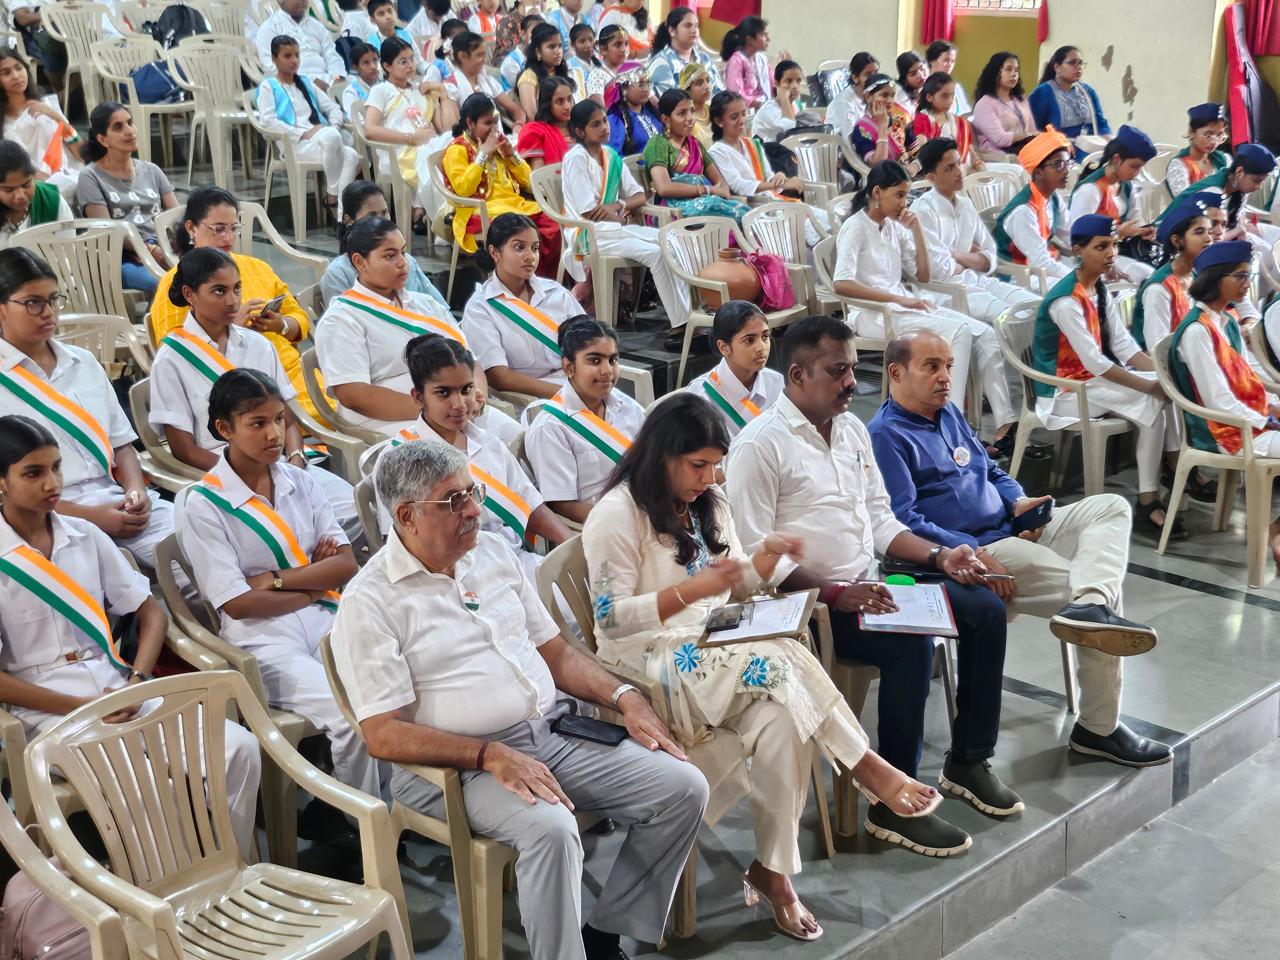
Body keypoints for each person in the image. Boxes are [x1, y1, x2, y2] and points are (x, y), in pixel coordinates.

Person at [583, 393, 943, 942]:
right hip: (650, 663)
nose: (709, 477)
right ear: (662, 456)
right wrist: (689, 593)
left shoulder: (708, 502)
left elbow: (736, 584)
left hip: (715, 646)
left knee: (783, 718)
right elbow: (609, 619)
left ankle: (773, 872)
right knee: (776, 654)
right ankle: (865, 763)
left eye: (714, 465)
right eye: (698, 465)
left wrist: (765, 560)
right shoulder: (616, 514)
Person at [332, 438, 707, 960]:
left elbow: (556, 653)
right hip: (453, 768)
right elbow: (383, 734)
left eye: (473, 492)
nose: (473, 510)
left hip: (547, 733)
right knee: (551, 830)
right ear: (407, 516)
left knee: (683, 786)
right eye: (454, 501)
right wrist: (488, 754)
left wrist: (624, 696)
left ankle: (605, 935)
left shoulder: (491, 553)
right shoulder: (371, 601)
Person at [727, 316, 1019, 857]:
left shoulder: (852, 430)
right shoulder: (760, 446)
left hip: (870, 587)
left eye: (852, 369)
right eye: (837, 371)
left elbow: (882, 521)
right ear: (798, 374)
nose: (850, 383)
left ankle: (968, 760)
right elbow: (754, 558)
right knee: (910, 642)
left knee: (983, 608)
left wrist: (941, 555)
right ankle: (892, 802)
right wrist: (836, 593)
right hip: (807, 608)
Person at [867, 331, 1172, 767]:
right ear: (896, 373)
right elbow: (903, 521)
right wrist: (970, 549)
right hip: (979, 550)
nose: (945, 377)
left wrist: (1018, 501)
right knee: (1095, 597)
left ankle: (1090, 603)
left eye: (949, 365)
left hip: (1013, 527)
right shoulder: (885, 436)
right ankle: (1098, 727)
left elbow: (989, 469)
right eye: (931, 366)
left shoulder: (948, 412)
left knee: (1109, 507)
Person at [0, 414, 262, 858]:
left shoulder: (85, 535)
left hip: (118, 686)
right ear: (1, 483)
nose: (52, 483)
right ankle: (168, 890)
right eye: (33, 473)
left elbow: (150, 612)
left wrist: (137, 680)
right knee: (144, 787)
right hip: (46, 708)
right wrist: (80, 707)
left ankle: (229, 867)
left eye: (56, 467)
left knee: (237, 749)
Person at [182, 369, 382, 826]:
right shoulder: (204, 503)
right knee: (348, 711)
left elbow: (345, 565)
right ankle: (361, 825)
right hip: (262, 637)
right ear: (224, 429)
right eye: (257, 423)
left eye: (278, 419)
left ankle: (381, 805)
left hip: (322, 611)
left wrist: (273, 579)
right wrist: (313, 583)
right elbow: (237, 604)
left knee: (385, 684)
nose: (274, 433)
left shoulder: (301, 481)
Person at [149, 249, 357, 526]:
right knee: (292, 528)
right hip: (224, 470)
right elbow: (183, 449)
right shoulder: (172, 359)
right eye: (219, 291)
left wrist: (295, 459)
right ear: (190, 295)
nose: (233, 300)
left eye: (237, 289)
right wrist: (245, 472)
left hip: (277, 463)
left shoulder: (259, 345)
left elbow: (287, 420)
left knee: (352, 508)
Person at [0, 249, 173, 569]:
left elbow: (122, 446)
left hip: (116, 501)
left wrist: (136, 492)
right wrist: (91, 517)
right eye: (33, 302)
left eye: (54, 299)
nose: (48, 312)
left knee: (208, 551)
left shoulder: (83, 362)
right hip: (43, 522)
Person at [832, 160, 1015, 442]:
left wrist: (915, 230)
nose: (904, 203)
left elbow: (923, 275)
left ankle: (1005, 426)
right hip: (872, 315)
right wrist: (897, 298)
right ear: (877, 192)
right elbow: (841, 283)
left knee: (985, 334)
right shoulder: (855, 227)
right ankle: (951, 424)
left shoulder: (893, 227)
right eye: (899, 195)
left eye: (906, 195)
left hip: (903, 305)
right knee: (960, 332)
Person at [1031, 215, 1183, 537]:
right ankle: (1152, 495)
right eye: (1101, 247)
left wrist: (1161, 373)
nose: (1111, 253)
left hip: (1091, 381)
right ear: (1078, 250)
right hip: (1065, 390)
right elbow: (1096, 363)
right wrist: (1150, 386)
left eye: (1113, 245)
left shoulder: (1098, 286)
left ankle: (1168, 472)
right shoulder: (1066, 301)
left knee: (1166, 390)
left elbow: (1124, 346)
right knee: (1154, 401)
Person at [364, 334, 572, 563]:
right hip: (452, 572)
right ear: (418, 397)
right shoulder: (398, 460)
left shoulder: (489, 443)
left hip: (514, 560)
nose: (459, 404)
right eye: (443, 393)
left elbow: (532, 506)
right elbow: (401, 545)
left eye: (466, 390)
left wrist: (576, 546)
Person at [150, 187, 317, 419]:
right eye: (218, 229)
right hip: (232, 387)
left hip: (290, 372)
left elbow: (300, 320)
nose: (228, 238)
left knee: (342, 407)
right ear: (191, 228)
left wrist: (281, 325)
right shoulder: (179, 282)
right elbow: (176, 350)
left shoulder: (258, 268)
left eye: (234, 228)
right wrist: (231, 330)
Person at [1168, 242, 1280, 567]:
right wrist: (1266, 417)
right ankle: (1276, 529)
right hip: (1225, 430)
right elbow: (1218, 400)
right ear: (1216, 279)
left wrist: (1272, 405)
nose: (1246, 284)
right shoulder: (1196, 332)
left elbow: (1249, 378)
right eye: (1240, 276)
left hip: (1248, 420)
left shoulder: (1226, 320)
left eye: (1248, 276)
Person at [317, 217, 466, 436]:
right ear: (360, 262)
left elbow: (468, 358)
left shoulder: (426, 304)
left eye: (403, 252)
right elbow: (354, 394)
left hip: (451, 406)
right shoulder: (341, 319)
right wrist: (434, 408)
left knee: (509, 432)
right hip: (384, 418)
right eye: (390, 256)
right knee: (450, 447)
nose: (402, 263)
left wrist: (474, 396)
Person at [910, 138, 1039, 390]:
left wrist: (957, 255)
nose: (959, 172)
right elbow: (939, 270)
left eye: (958, 164)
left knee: (1035, 307)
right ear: (932, 177)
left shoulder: (966, 204)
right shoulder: (923, 211)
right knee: (1008, 316)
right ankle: (1023, 393)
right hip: (944, 292)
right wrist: (969, 260)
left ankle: (1038, 383)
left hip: (978, 281)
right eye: (949, 168)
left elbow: (990, 257)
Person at [561, 99, 692, 330]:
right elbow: (589, 211)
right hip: (587, 234)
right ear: (580, 131)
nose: (605, 127)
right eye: (596, 124)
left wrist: (618, 205)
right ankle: (680, 324)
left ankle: (689, 314)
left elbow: (639, 196)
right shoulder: (576, 158)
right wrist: (617, 217)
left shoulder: (611, 155)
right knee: (655, 254)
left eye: (604, 121)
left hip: (613, 229)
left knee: (672, 241)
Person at [524, 316, 644, 523]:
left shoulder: (628, 406)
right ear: (568, 367)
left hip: (644, 505)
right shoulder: (550, 428)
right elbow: (561, 504)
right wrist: (626, 522)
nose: (607, 371)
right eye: (595, 361)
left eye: (613, 360)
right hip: (603, 523)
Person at [463, 213, 582, 398]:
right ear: (494, 252)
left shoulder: (556, 293)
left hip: (577, 384)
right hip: (530, 398)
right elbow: (499, 377)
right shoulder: (481, 308)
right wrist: (568, 395)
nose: (530, 257)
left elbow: (589, 342)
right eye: (519, 247)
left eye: (534, 248)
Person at [443, 93, 560, 276]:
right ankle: (523, 281)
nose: (493, 128)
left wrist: (511, 155)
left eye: (495, 122)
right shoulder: (457, 149)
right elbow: (463, 189)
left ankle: (543, 280)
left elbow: (529, 181)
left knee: (555, 224)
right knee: (526, 234)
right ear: (470, 123)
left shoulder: (498, 146)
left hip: (515, 206)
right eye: (487, 123)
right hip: (481, 212)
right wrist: (483, 155)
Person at [76, 102, 178, 296]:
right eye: (118, 127)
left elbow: (176, 218)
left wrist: (171, 249)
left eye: (130, 123)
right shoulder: (90, 176)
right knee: (165, 284)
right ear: (103, 139)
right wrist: (150, 250)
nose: (129, 131)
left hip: (163, 248)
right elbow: (108, 230)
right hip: (122, 257)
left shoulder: (152, 170)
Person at [258, 36, 361, 219]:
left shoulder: (306, 82)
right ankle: (332, 198)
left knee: (351, 155)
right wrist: (303, 133)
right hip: (294, 145)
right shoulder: (269, 86)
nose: (294, 60)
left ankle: (340, 215)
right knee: (332, 138)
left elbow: (333, 108)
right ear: (274, 59)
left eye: (297, 55)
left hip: (323, 141)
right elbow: (268, 121)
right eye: (287, 56)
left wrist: (333, 127)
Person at [320, 181, 450, 310]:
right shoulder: (338, 274)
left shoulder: (407, 261)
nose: (381, 221)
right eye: (372, 216)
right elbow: (344, 320)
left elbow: (441, 310)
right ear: (349, 220)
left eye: (384, 213)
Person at [364, 36, 444, 227]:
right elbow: (369, 130)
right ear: (387, 66)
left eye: (411, 59)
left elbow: (443, 128)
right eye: (403, 61)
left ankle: (435, 212)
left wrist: (441, 90)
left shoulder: (420, 90)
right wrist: (410, 138)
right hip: (396, 153)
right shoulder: (381, 90)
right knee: (429, 156)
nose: (410, 65)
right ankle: (440, 216)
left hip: (425, 145)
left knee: (449, 148)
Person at [1068, 125, 1158, 282]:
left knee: (1152, 274)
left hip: (1117, 251)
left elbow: (1136, 220)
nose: (1136, 173)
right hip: (1092, 258)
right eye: (1134, 166)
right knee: (1146, 277)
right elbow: (1076, 236)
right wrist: (1118, 234)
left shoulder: (1126, 186)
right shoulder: (1090, 190)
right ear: (1116, 160)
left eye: (1140, 168)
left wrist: (1142, 231)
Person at [645, 88, 749, 222]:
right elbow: (663, 188)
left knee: (743, 214)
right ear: (666, 119)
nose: (690, 118)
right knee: (719, 209)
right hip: (672, 210)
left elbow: (722, 185)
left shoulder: (694, 144)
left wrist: (716, 191)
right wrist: (706, 190)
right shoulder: (658, 143)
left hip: (704, 203)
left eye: (692, 111)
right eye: (682, 113)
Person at [684, 300, 782, 439]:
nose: (761, 347)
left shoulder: (777, 382)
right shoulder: (701, 395)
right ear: (724, 347)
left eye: (765, 337)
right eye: (749, 340)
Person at [1132, 194, 1218, 351]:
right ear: (1177, 241)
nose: (1208, 239)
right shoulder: (1159, 288)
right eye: (1199, 232)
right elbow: (1158, 349)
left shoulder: (1197, 275)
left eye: (1209, 232)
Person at [1164, 143, 1280, 256]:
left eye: (1262, 181)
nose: (1259, 187)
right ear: (1239, 172)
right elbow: (1204, 240)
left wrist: (1243, 228)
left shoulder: (1237, 186)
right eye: (1256, 181)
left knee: (1275, 237)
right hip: (1181, 245)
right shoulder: (1213, 192)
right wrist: (1240, 230)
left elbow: (1235, 220)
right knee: (1266, 253)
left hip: (1220, 236)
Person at [994, 129, 1074, 290]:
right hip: (1021, 276)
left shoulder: (1053, 198)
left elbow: (1072, 236)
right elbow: (1041, 262)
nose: (1066, 170)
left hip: (1044, 270)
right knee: (1082, 292)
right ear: (1038, 173)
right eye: (1058, 165)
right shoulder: (1023, 211)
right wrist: (1080, 277)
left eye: (1068, 163)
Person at [0, 49, 78, 199]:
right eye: (6, 72)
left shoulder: (46, 105)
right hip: (28, 187)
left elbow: (79, 150)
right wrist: (33, 176)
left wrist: (57, 117)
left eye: (18, 68)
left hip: (67, 175)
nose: (16, 76)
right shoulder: (4, 122)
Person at [913, 73, 1004, 175]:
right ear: (929, 97)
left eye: (952, 95)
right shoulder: (923, 119)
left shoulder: (960, 122)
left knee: (1010, 171)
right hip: (942, 175)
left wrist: (978, 165)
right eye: (944, 96)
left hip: (966, 170)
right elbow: (924, 151)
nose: (950, 101)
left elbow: (970, 152)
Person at [1028, 46, 1111, 156]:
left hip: (1093, 150)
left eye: (1080, 63)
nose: (1078, 67)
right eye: (1072, 63)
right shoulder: (1043, 93)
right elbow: (1032, 130)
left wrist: (1112, 144)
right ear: (1057, 67)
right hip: (1061, 153)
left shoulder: (1087, 91)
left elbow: (1101, 124)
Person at [256, 0, 346, 90]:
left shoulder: (316, 26)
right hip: (292, 86)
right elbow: (271, 68)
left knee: (351, 83)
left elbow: (332, 56)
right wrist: (307, 83)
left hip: (328, 80)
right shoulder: (269, 29)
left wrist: (338, 78)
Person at [445, 30, 525, 126]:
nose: (485, 59)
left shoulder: (487, 80)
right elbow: (452, 129)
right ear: (463, 56)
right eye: (479, 55)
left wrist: (519, 125)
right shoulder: (451, 87)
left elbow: (516, 110)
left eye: (484, 54)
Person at [0, 140, 70, 249]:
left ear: (34, 177)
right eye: (9, 190)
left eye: (26, 185)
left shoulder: (52, 201)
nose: (20, 195)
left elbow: (68, 251)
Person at [970, 51, 1037, 159]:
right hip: (1000, 156)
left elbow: (1032, 130)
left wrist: (1044, 136)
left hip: (1025, 147)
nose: (1014, 74)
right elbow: (1000, 140)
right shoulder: (985, 104)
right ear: (995, 72)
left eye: (1016, 70)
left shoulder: (1020, 99)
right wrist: (1029, 136)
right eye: (1008, 69)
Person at [647, 6, 721, 96]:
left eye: (696, 26)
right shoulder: (661, 62)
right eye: (688, 26)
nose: (694, 30)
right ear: (672, 31)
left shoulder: (704, 58)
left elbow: (720, 92)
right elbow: (668, 101)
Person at [850, 74, 918, 167]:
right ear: (868, 97)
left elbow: (916, 151)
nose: (890, 101)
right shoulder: (861, 129)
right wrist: (882, 125)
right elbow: (878, 164)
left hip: (905, 172)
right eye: (884, 95)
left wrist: (914, 167)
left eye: (892, 95)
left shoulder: (899, 120)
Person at [1166, 102, 1230, 199]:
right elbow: (1182, 202)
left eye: (1219, 135)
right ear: (1192, 132)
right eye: (1208, 135)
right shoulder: (1180, 165)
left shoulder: (1222, 159)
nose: (1214, 142)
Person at [515, 75, 575, 170]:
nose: (567, 106)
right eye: (559, 102)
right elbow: (539, 172)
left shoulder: (580, 127)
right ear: (547, 104)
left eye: (569, 99)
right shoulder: (535, 132)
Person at [516, 23, 573, 120]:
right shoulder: (528, 78)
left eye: (560, 46)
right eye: (551, 47)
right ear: (538, 52)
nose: (558, 51)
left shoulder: (565, 71)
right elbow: (532, 117)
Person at [605, 61, 662, 155]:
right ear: (624, 88)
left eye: (648, 84)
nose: (646, 89)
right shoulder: (616, 119)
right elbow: (613, 157)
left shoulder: (652, 112)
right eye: (640, 85)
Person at [722, 15, 773, 111]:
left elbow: (773, 84)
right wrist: (759, 105)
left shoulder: (762, 60)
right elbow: (735, 94)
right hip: (745, 112)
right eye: (763, 35)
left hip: (765, 108)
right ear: (750, 39)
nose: (768, 39)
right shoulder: (736, 61)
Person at [367, 0, 429, 76]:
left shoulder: (405, 34)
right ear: (373, 20)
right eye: (381, 14)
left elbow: (419, 62)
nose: (388, 17)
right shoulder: (371, 44)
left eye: (390, 11)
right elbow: (377, 72)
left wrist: (431, 70)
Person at [750, 60, 805, 144]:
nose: (795, 86)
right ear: (777, 84)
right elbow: (789, 131)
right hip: (767, 151)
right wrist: (784, 99)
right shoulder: (769, 109)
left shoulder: (795, 105)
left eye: (798, 81)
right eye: (789, 81)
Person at [827, 51, 878, 143]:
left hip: (864, 145)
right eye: (868, 74)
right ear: (855, 78)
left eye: (876, 73)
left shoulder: (870, 97)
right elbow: (849, 140)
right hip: (842, 149)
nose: (874, 79)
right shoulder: (844, 102)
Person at [587, 23, 629, 104]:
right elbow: (600, 109)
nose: (624, 49)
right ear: (604, 50)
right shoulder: (597, 75)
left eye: (626, 44)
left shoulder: (631, 69)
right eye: (618, 45)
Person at [925, 40, 970, 115]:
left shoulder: (957, 88)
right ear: (932, 61)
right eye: (946, 60)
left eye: (952, 61)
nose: (950, 65)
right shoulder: (924, 88)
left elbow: (966, 113)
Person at [498, 15, 539, 93]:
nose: (539, 37)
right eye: (534, 33)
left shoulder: (542, 56)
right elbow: (525, 92)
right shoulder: (511, 63)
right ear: (523, 34)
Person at [342, 41, 382, 120]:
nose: (373, 66)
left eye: (375, 60)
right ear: (355, 67)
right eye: (366, 63)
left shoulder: (385, 83)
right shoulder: (352, 92)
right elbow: (356, 120)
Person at [679, 63, 714, 148]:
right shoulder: (685, 121)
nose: (707, 86)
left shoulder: (715, 109)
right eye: (699, 83)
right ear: (687, 89)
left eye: (708, 80)